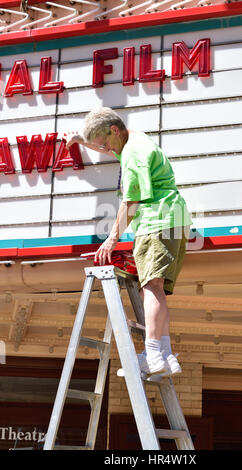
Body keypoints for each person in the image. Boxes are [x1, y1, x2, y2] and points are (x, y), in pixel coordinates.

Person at [66, 107, 192, 376]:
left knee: (152, 288)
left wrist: (111, 239)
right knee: (155, 289)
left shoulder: (133, 155)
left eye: (105, 142)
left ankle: (154, 354)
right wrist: (82, 140)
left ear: (114, 130)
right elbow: (113, 149)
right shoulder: (134, 138)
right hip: (174, 219)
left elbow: (131, 201)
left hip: (156, 222)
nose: (105, 149)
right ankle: (165, 355)